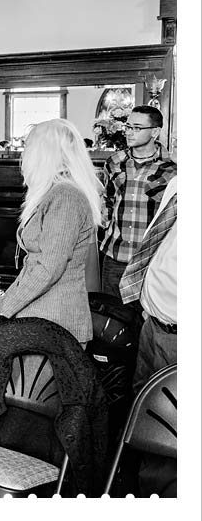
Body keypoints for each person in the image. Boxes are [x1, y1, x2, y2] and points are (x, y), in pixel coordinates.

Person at [0, 119, 103, 347]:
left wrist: (4, 307)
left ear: (45, 153)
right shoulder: (54, 192)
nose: (24, 156)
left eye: (29, 148)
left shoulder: (66, 197)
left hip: (55, 322)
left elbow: (48, 269)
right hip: (42, 319)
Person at [119, 175, 177, 498]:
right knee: (141, 425)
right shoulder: (178, 184)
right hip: (152, 325)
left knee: (168, 436)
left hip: (178, 336)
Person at [100, 106, 176, 297]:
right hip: (115, 256)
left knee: (145, 322)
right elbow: (108, 200)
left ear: (155, 132)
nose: (129, 132)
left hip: (151, 260)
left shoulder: (172, 168)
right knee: (111, 318)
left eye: (137, 128)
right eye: (128, 127)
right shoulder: (114, 162)